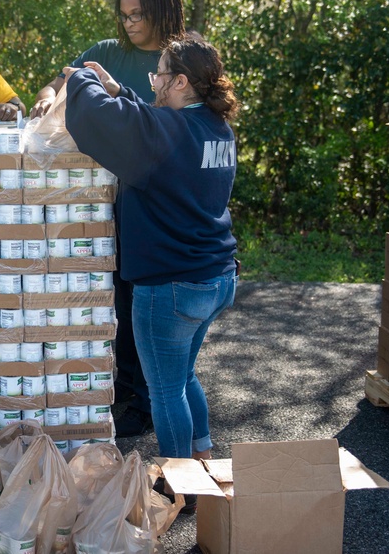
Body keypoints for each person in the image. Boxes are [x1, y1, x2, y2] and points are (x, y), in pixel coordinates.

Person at [63, 31, 238, 474]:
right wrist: (121, 90)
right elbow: (150, 124)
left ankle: (182, 482)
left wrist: (83, 78)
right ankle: (203, 455)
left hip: (170, 286)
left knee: (164, 391)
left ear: (180, 82)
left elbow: (102, 120)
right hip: (216, 276)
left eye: (158, 74)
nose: (153, 81)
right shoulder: (216, 127)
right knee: (184, 377)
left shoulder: (168, 131)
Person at [31, 0, 187, 437]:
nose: (131, 23)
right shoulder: (105, 52)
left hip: (157, 198)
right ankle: (119, 390)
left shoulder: (181, 59)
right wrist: (44, 99)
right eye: (124, 15)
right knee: (113, 295)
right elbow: (56, 83)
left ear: (162, 10)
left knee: (150, 300)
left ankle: (147, 400)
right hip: (103, 199)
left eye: (139, 14)